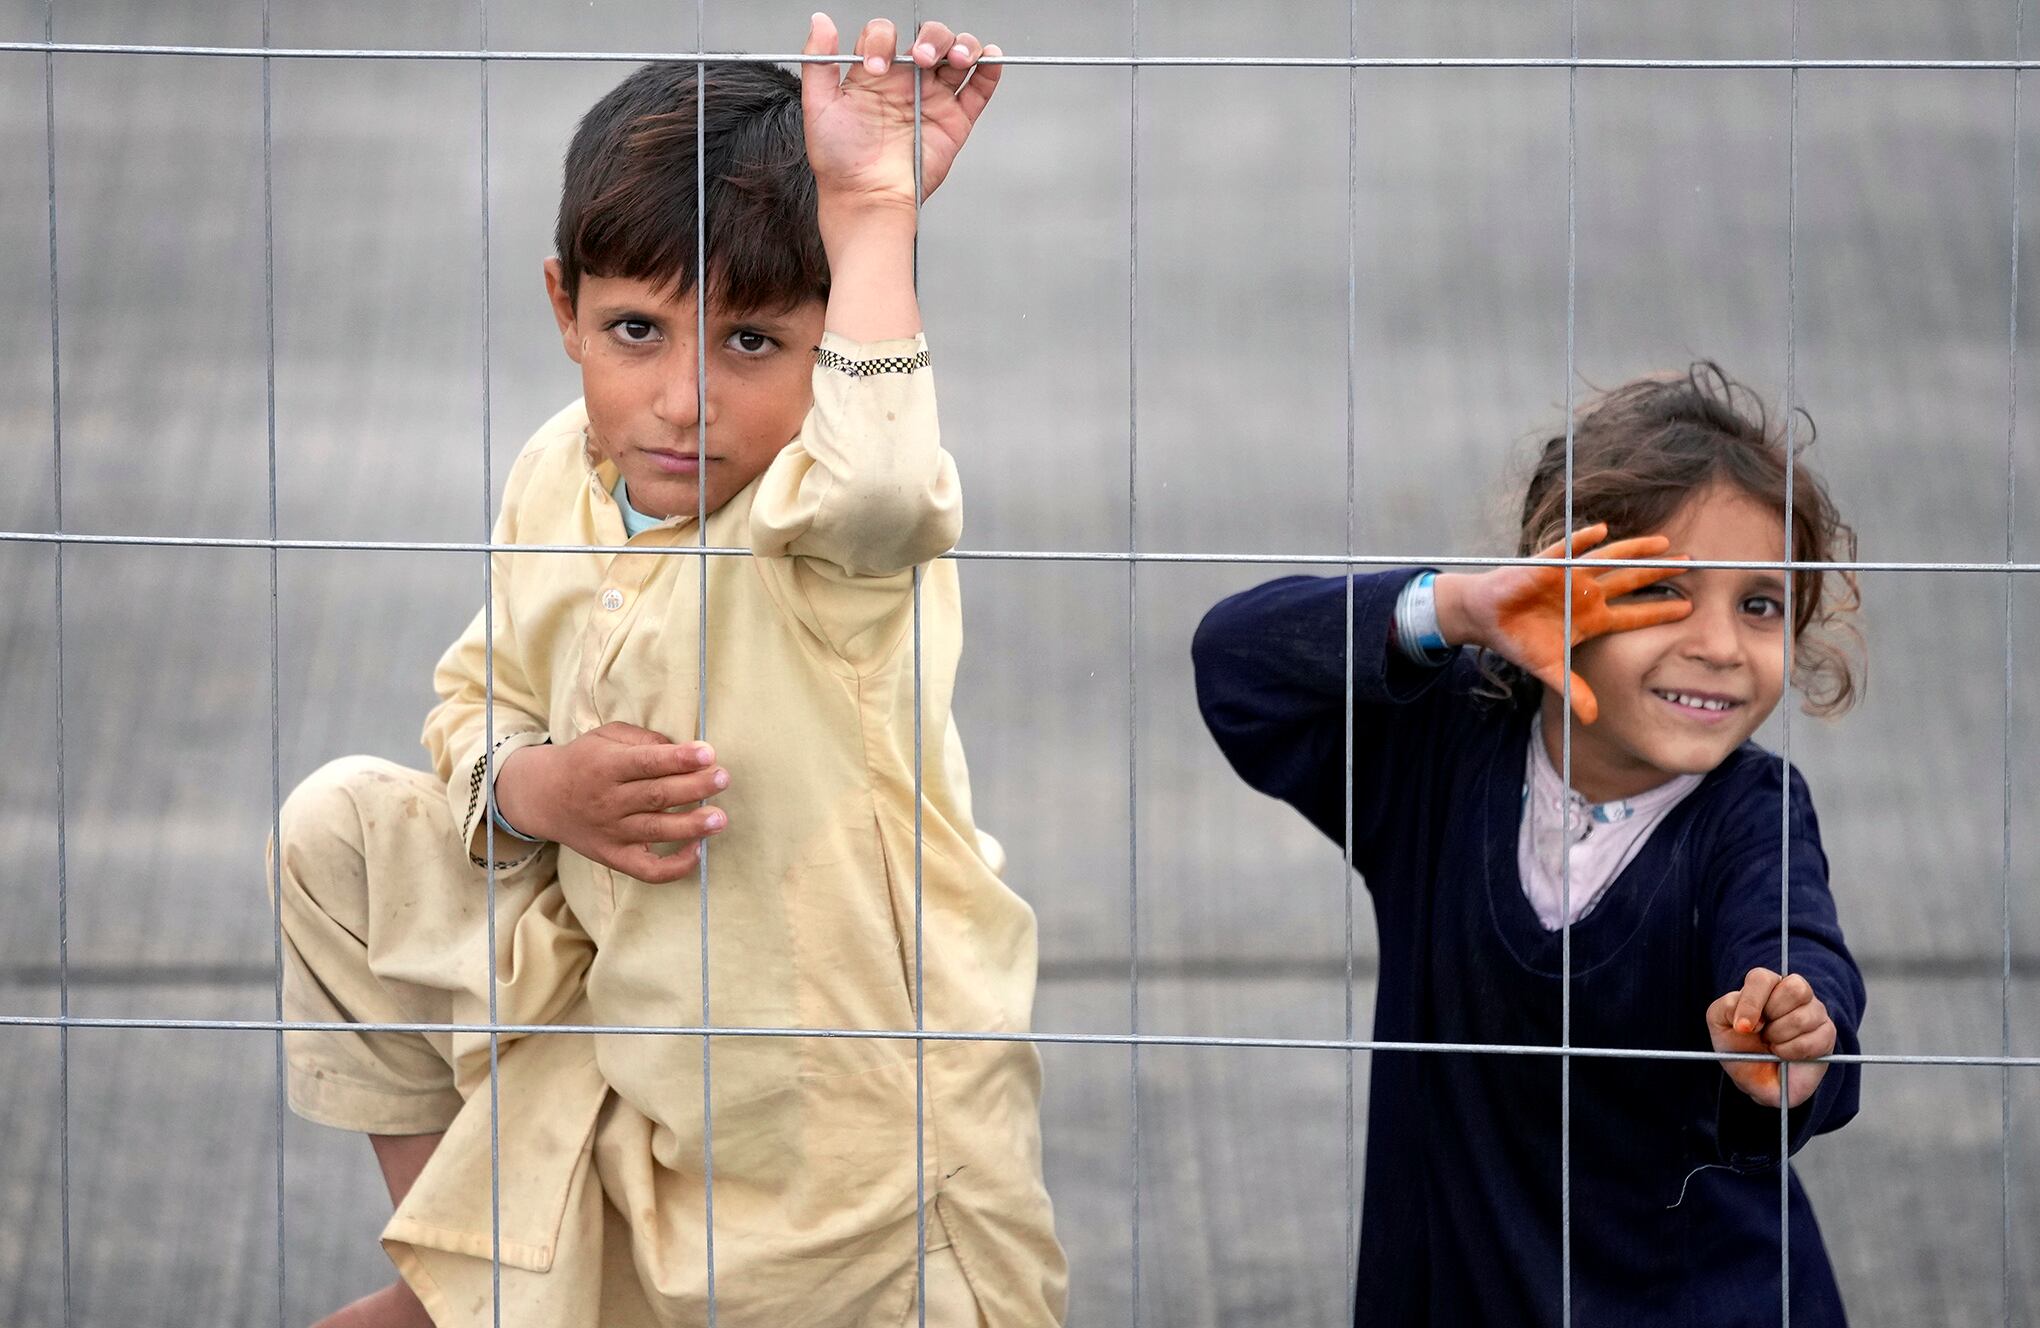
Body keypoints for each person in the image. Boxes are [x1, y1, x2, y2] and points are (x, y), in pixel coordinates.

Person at [270, 16, 1066, 1326]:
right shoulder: (556, 475)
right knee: (343, 832)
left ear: (835, 345)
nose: (684, 399)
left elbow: (880, 476)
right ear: (563, 310)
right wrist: (540, 788)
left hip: (856, 1134)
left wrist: (873, 221)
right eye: (636, 329)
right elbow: (474, 705)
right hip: (628, 1071)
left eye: (753, 342)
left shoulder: (825, 516)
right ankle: (478, 1270)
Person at [1191, 365, 1868, 1325]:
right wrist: (1457, 611)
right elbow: (1237, 665)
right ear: (1555, 589)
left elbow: (1796, 948)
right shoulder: (1442, 747)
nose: (1722, 644)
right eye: (1667, 590)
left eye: (1760, 603)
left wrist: (1794, 1038)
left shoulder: (1752, 811)